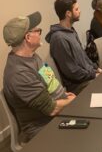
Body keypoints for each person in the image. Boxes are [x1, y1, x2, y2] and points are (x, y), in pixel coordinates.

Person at [2, 12, 76, 143]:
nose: (40, 33)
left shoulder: (32, 56)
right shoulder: (20, 75)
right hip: (43, 127)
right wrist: (72, 100)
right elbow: (52, 109)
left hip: (58, 111)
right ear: (28, 37)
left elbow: (49, 80)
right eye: (38, 31)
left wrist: (63, 94)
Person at [45, 0, 102, 95]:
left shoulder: (71, 31)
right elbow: (72, 72)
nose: (80, 11)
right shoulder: (59, 38)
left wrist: (96, 68)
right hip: (78, 85)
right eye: (76, 9)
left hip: (87, 77)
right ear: (68, 13)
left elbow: (84, 57)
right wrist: (94, 75)